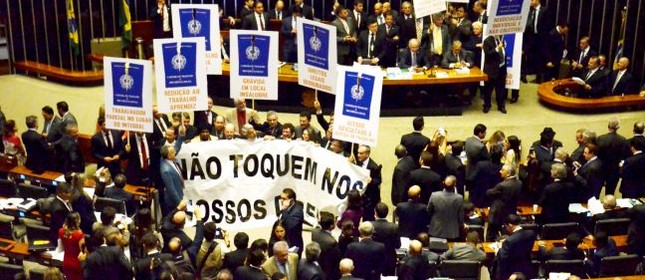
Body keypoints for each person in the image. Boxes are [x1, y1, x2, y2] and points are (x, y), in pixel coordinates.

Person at [494, 214, 538, 280]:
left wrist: (498, 249)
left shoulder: (510, 240)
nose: (506, 228)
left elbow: (503, 257)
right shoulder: (531, 234)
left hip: (513, 270)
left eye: (506, 226)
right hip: (527, 266)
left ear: (510, 225)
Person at [486, 164, 522, 241]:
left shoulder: (502, 185)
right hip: (510, 212)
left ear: (508, 174)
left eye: (502, 170)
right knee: (507, 234)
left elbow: (489, 193)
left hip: (497, 214)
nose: (500, 171)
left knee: (491, 234)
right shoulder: (519, 183)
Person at [596, 117, 631, 196]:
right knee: (610, 193)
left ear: (608, 126)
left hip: (600, 169)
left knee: (596, 193)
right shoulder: (623, 140)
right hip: (614, 171)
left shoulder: (600, 138)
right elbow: (626, 156)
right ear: (618, 127)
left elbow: (596, 153)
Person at [427, 176, 464, 240]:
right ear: (454, 185)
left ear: (443, 183)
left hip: (435, 229)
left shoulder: (434, 195)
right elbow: (460, 216)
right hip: (452, 232)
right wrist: (461, 225)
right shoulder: (459, 198)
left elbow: (429, 210)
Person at [159, 124, 186, 211]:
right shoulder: (166, 170)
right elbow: (171, 189)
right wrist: (179, 203)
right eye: (173, 152)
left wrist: (181, 135)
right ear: (168, 155)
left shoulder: (170, 159)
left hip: (180, 196)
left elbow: (177, 146)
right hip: (173, 203)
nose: (175, 152)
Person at [353, 145, 382, 221]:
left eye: (361, 153)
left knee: (367, 219)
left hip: (369, 199)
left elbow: (378, 181)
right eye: (358, 153)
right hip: (359, 197)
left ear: (367, 154)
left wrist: (372, 181)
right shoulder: (357, 163)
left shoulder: (374, 167)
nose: (358, 155)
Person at [371, 202, 400, 276]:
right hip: (389, 259)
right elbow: (397, 245)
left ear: (375, 213)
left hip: (374, 259)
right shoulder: (394, 227)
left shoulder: (370, 225)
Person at [482, 34, 508, 114]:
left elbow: (504, 54)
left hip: (501, 68)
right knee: (488, 89)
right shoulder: (487, 41)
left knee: (501, 89)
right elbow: (488, 53)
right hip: (491, 69)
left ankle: (501, 106)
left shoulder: (502, 39)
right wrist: (497, 49)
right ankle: (487, 105)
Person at [311, 211, 341, 280]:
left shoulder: (314, 232)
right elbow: (337, 258)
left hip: (317, 263)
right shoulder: (332, 242)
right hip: (328, 269)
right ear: (331, 226)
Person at [277, 188, 304, 256]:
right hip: (285, 241)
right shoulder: (286, 208)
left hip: (294, 244)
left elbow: (290, 225)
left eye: (284, 199)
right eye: (281, 198)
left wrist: (284, 210)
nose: (282, 201)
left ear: (291, 200)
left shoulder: (298, 211)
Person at [59, 212, 84, 280]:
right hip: (77, 263)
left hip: (66, 261)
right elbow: (83, 251)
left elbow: (61, 246)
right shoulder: (79, 234)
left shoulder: (61, 231)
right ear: (78, 221)